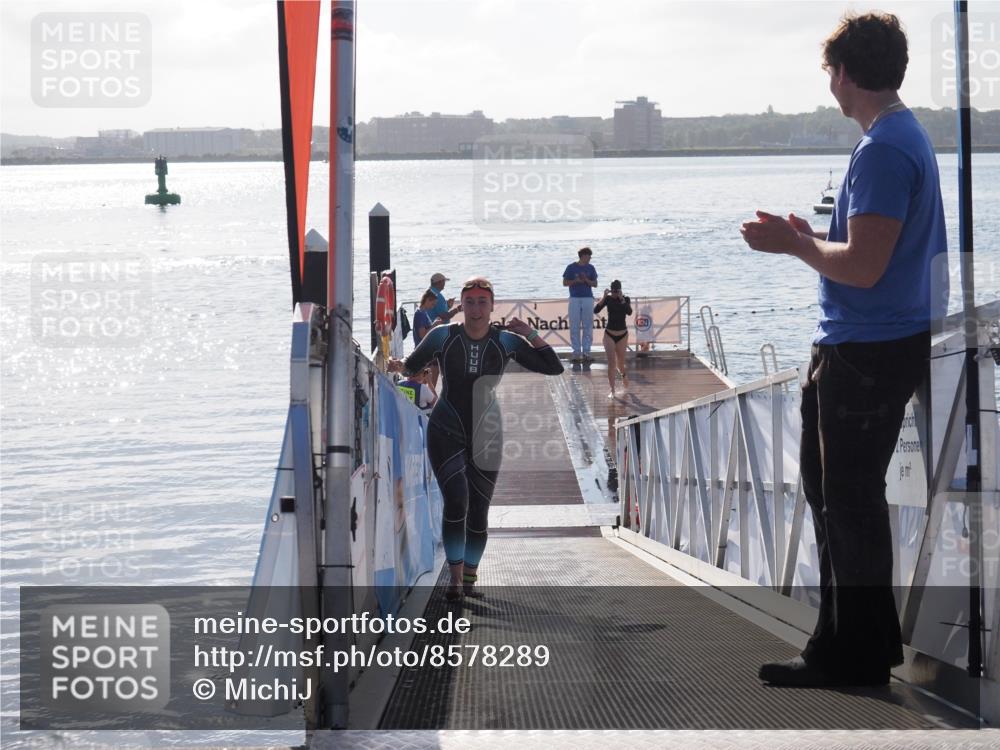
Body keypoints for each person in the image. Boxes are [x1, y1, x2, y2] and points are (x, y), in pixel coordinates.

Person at [740, 12, 946, 688]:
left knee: (848, 502)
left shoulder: (885, 148)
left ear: (847, 73)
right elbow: (868, 254)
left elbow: (863, 267)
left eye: (830, 69)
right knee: (836, 498)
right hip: (867, 344)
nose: (829, 82)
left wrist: (796, 245)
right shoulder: (896, 138)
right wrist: (809, 235)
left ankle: (852, 655)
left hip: (867, 350)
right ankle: (851, 643)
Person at [388, 276, 564, 600]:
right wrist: (398, 366)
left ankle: (470, 578)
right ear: (462, 305)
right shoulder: (443, 335)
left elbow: (553, 367)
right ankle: (455, 582)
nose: (476, 309)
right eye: (470, 302)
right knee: (456, 502)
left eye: (483, 302)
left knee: (480, 511)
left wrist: (530, 334)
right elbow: (411, 365)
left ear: (492, 305)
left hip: (487, 432)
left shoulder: (507, 341)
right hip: (446, 428)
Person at [594, 280, 632, 399]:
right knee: (611, 363)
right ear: (611, 290)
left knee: (620, 364)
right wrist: (604, 296)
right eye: (613, 291)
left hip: (622, 335)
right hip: (609, 334)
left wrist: (621, 299)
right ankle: (612, 390)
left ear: (620, 290)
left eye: (617, 290)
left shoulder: (626, 299)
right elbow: (596, 310)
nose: (615, 293)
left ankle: (623, 375)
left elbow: (629, 312)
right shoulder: (608, 299)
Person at [562, 247, 598, 362]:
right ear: (583, 256)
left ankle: (586, 351)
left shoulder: (591, 268)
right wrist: (575, 281)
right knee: (574, 326)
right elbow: (565, 283)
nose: (590, 258)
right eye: (588, 256)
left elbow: (595, 284)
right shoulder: (571, 267)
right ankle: (576, 352)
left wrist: (587, 280)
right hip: (574, 298)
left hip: (587, 298)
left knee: (588, 325)